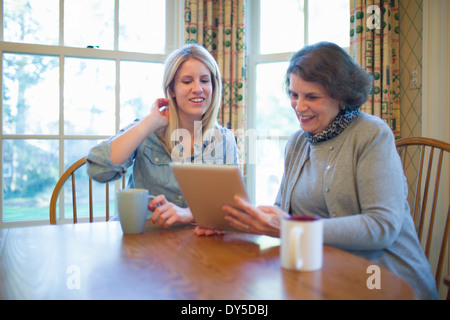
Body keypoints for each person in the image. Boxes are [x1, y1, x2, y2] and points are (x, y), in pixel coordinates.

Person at [199, 42, 439, 299]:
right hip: (323, 274)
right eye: (294, 94)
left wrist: (291, 227)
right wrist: (233, 222)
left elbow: (381, 227)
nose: (299, 107)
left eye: (312, 96)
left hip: (382, 279)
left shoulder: (371, 134)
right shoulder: (298, 142)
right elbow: (281, 215)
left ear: (342, 95)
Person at [86, 44, 238, 229]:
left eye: (205, 80)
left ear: (214, 87)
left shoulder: (225, 139)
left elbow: (233, 209)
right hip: (141, 239)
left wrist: (189, 214)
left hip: (195, 245)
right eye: (187, 81)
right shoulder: (148, 127)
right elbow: (99, 170)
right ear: (171, 89)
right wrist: (149, 124)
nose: (198, 88)